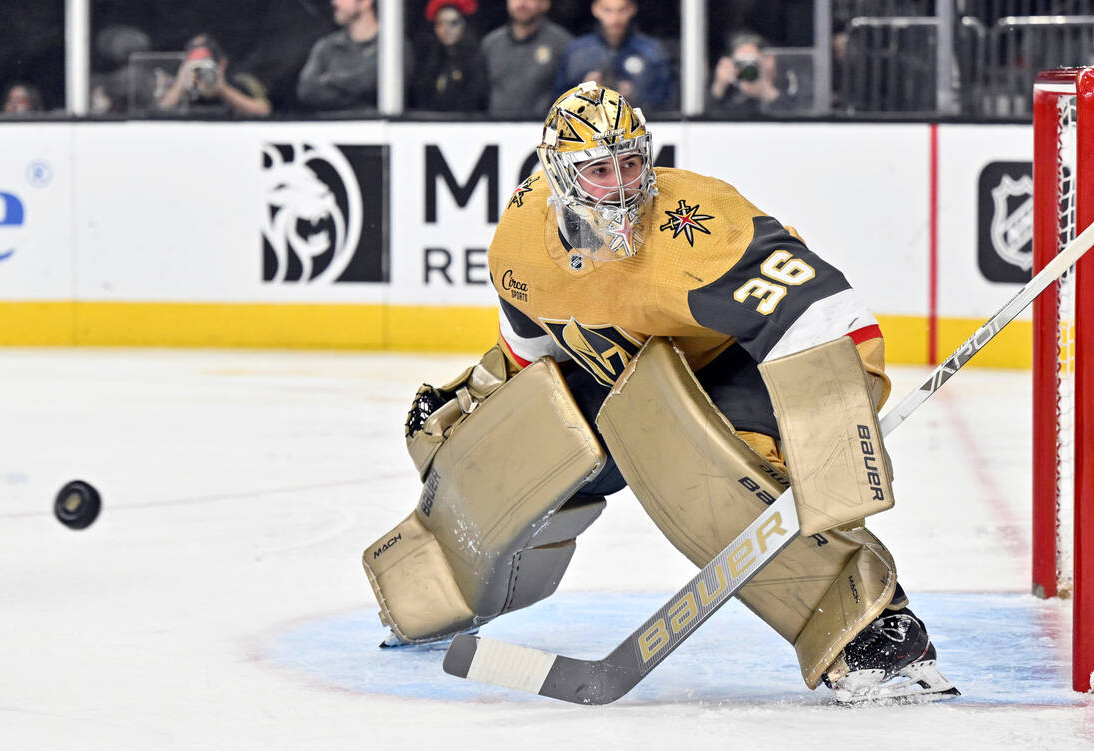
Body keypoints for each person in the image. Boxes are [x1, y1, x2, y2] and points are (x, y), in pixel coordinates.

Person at [362, 83, 960, 704]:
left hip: (740, 361)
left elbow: (828, 315)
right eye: (599, 170)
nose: (622, 186)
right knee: (530, 440)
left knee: (718, 481)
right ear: (560, 178)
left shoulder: (695, 229)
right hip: (635, 372)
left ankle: (877, 636)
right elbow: (530, 347)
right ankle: (436, 587)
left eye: (631, 162)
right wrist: (485, 413)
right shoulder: (518, 245)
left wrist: (831, 432)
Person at [552, 0, 673, 111]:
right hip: (587, 129)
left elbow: (667, 101)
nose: (615, 19)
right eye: (607, 10)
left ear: (632, 9)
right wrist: (581, 92)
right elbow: (557, 101)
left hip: (637, 127)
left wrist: (635, 95)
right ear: (595, 9)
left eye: (621, 10)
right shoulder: (576, 52)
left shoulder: (652, 52)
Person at [480, 0, 573, 117]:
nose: (521, 3)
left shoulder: (562, 43)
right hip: (495, 127)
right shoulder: (491, 44)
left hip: (543, 127)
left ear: (545, 4)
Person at [296, 0, 386, 111]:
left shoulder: (391, 48)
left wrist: (327, 79)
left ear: (365, 2)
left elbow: (371, 82)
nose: (334, 2)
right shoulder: (327, 47)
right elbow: (307, 90)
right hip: (332, 126)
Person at [157, 34, 271, 116]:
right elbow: (155, 114)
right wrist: (181, 85)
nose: (200, 73)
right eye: (195, 67)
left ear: (221, 64)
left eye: (205, 66)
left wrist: (222, 89)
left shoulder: (238, 84)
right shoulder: (178, 89)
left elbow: (264, 111)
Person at [411, 0, 489, 112]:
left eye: (453, 23)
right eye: (440, 23)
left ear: (464, 25)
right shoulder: (427, 61)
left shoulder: (475, 61)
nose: (446, 29)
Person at [708, 31, 789, 117]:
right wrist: (719, 87)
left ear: (767, 61)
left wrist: (767, 91)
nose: (747, 69)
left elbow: (792, 116)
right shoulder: (730, 95)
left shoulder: (785, 83)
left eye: (752, 62)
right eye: (740, 63)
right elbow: (707, 121)